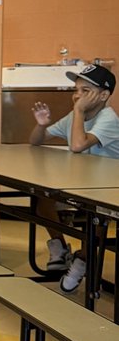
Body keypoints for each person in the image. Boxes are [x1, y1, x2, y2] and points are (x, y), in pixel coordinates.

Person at [29, 62, 119, 293]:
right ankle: (59, 246)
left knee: (96, 220)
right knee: (43, 202)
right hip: (82, 182)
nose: (77, 96)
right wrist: (41, 125)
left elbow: (78, 145)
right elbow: (36, 140)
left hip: (108, 188)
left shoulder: (108, 119)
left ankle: (83, 259)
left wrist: (78, 111)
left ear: (103, 95)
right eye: (76, 90)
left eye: (85, 91)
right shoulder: (74, 116)